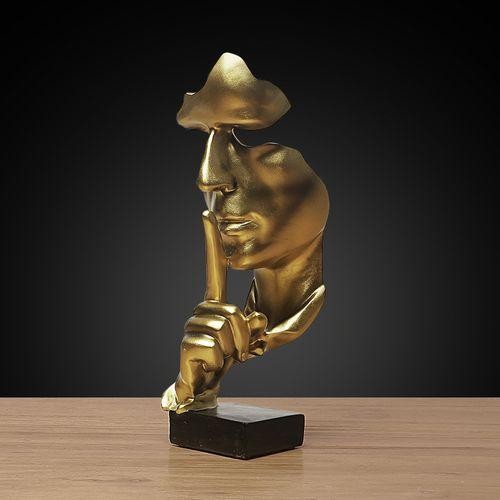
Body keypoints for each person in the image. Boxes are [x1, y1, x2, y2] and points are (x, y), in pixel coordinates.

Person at [162, 53, 329, 413]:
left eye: (258, 147)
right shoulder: (225, 329)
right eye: (209, 144)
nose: (208, 178)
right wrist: (195, 385)